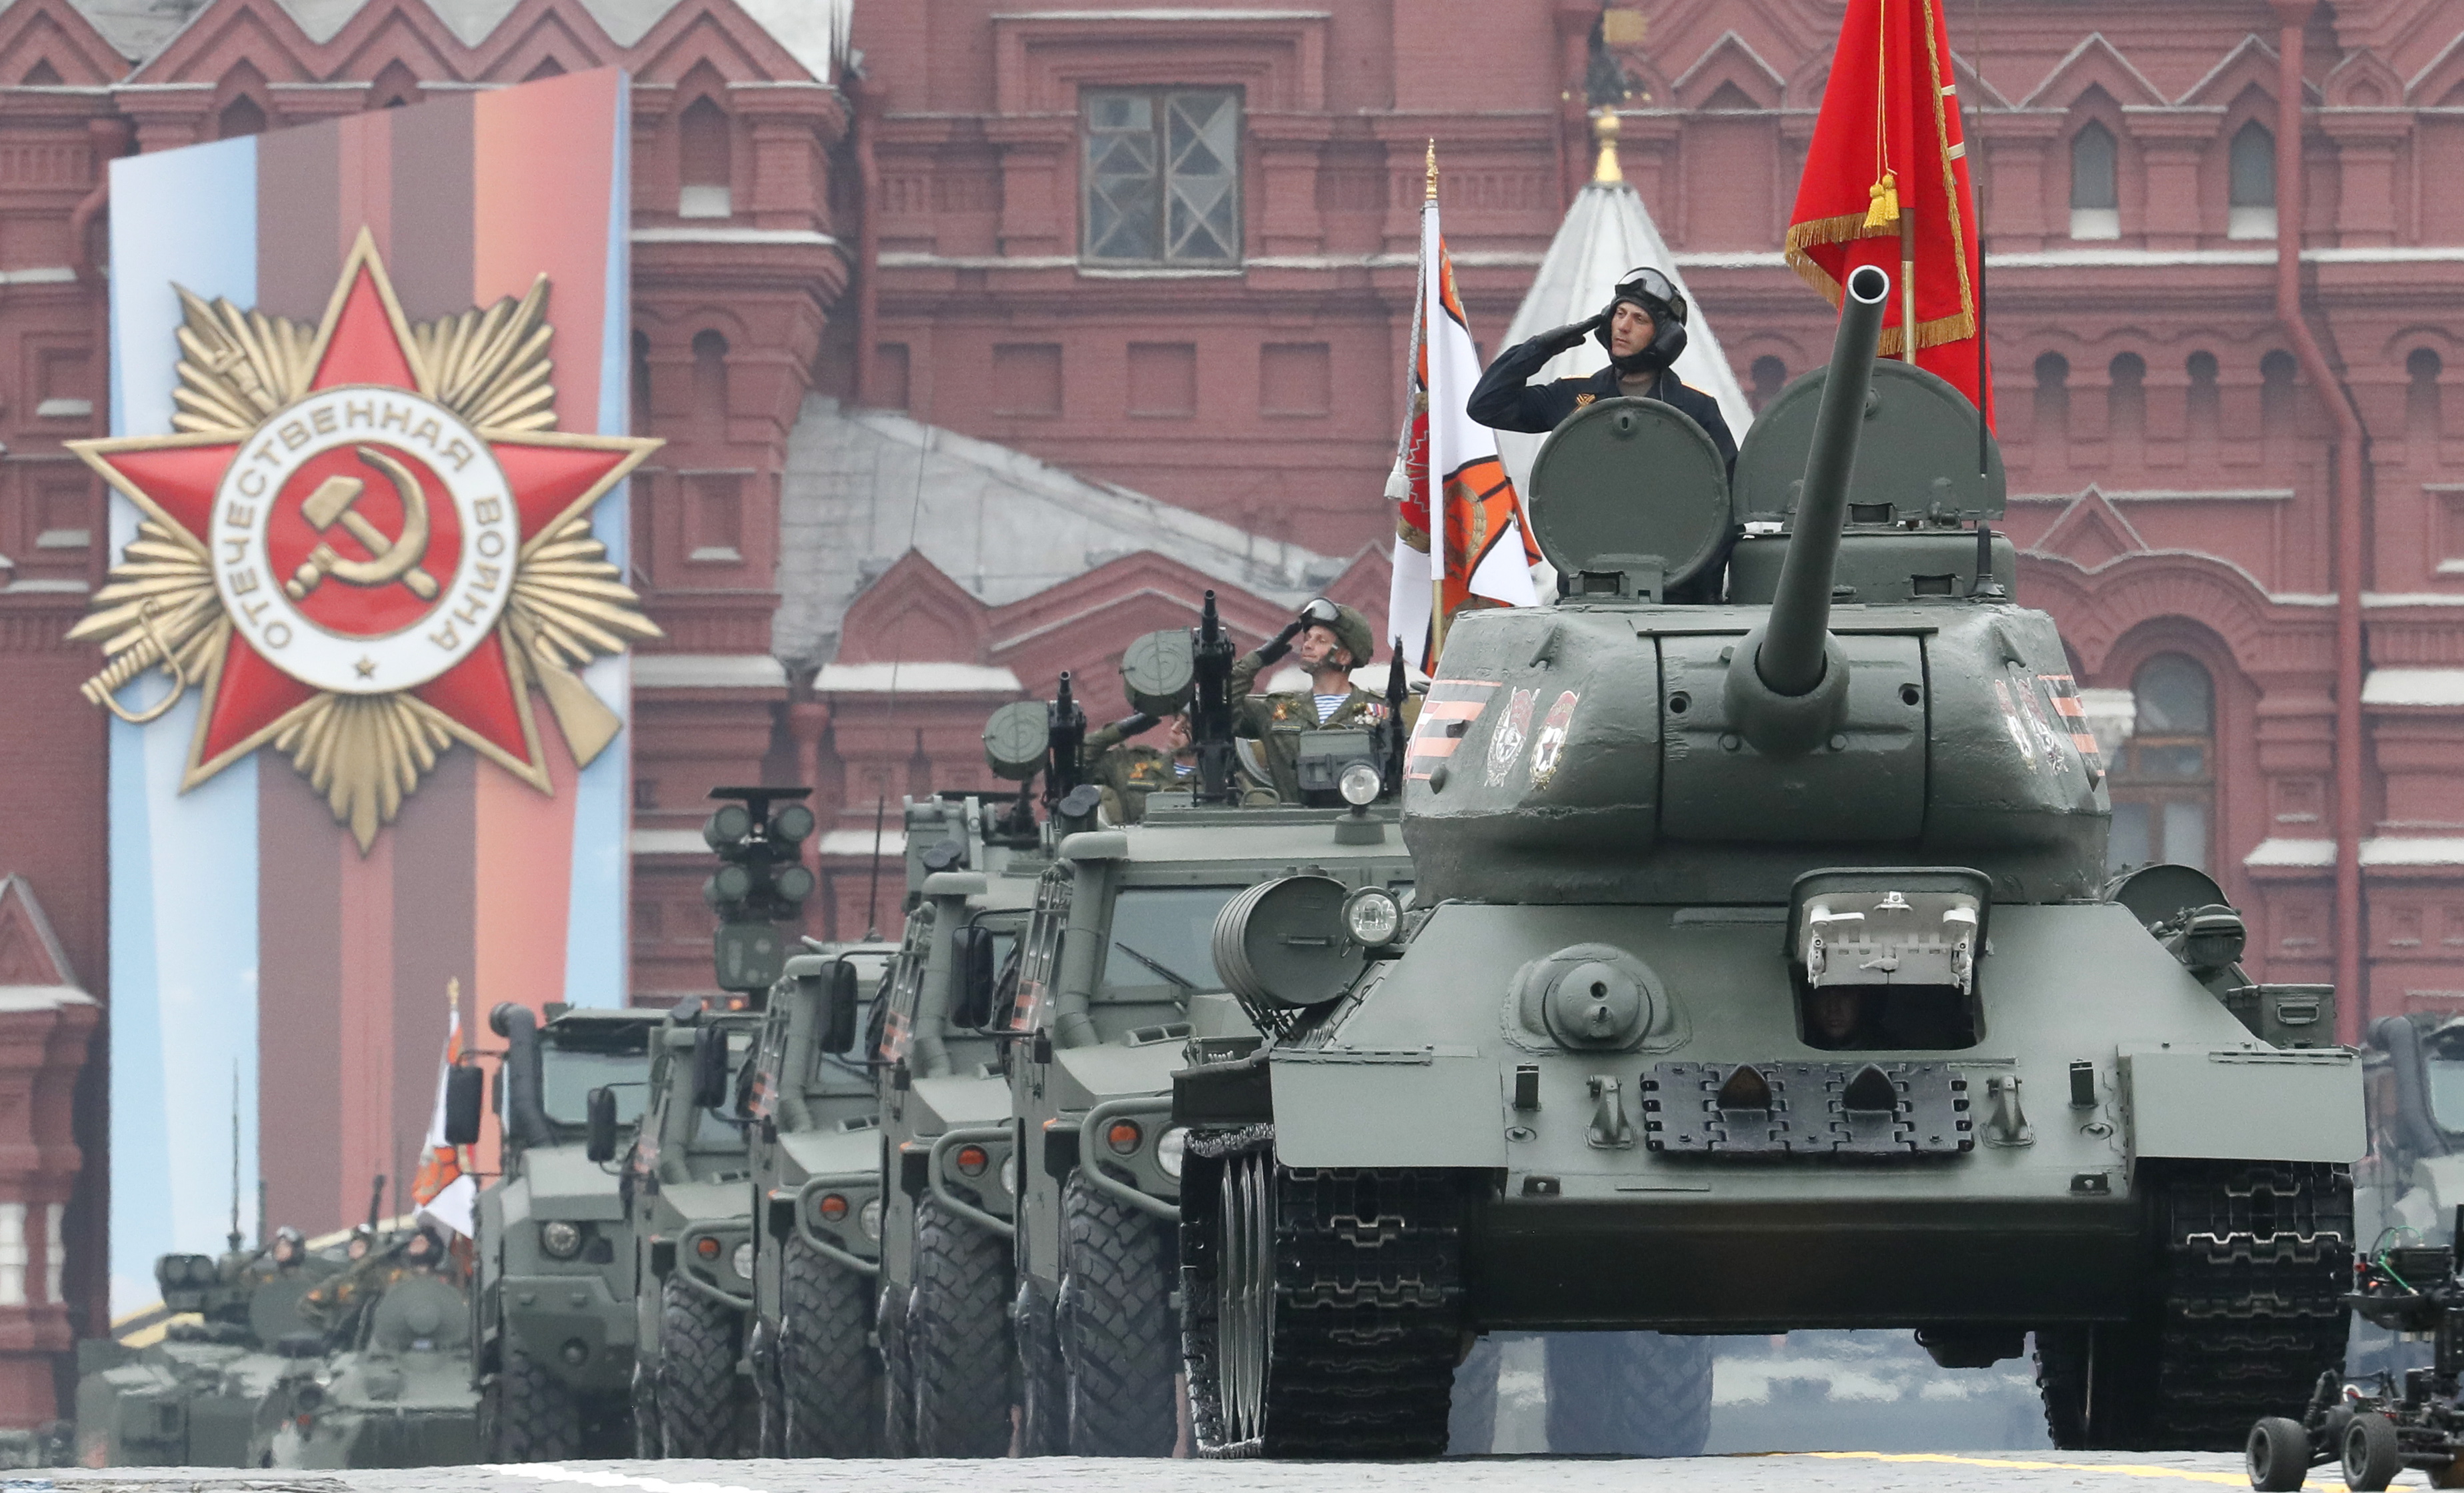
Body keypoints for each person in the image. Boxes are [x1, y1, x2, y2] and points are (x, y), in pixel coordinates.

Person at [1468, 265, 1738, 471]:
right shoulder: (1571, 397)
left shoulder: (1695, 410)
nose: (1623, 327)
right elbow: (1486, 405)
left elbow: (1726, 497)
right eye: (1620, 314)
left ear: (1665, 338)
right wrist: (1539, 349)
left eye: (1640, 319)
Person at [1229, 599, 1391, 804]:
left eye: (1320, 641)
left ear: (1344, 656)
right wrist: (1257, 660)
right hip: (1295, 821)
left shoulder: (1380, 713)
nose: (1307, 645)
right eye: (1307, 638)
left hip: (1359, 820)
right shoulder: (1277, 710)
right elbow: (1220, 707)